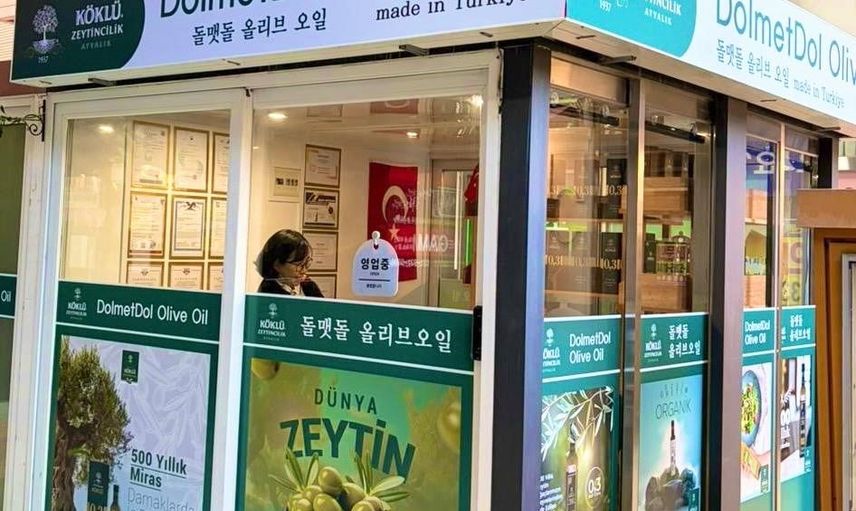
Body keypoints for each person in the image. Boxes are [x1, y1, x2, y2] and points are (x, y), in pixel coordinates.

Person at [255, 229, 323, 297]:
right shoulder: (270, 293)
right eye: (299, 265)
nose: (304, 271)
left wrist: (308, 285)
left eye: (306, 263)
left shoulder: (284, 285)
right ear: (277, 264)